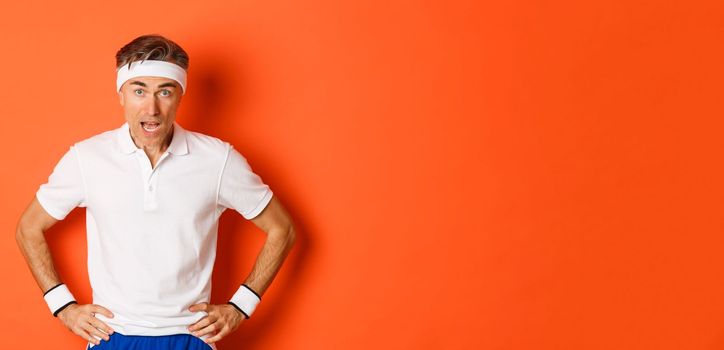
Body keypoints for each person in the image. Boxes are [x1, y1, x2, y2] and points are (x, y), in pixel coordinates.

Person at [14, 34, 297, 350]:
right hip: (112, 335)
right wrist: (63, 306)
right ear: (121, 94)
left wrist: (241, 306)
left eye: (165, 92)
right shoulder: (87, 158)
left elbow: (282, 228)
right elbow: (29, 227)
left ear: (180, 97)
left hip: (190, 336)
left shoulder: (218, 160)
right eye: (139, 91)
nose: (152, 108)